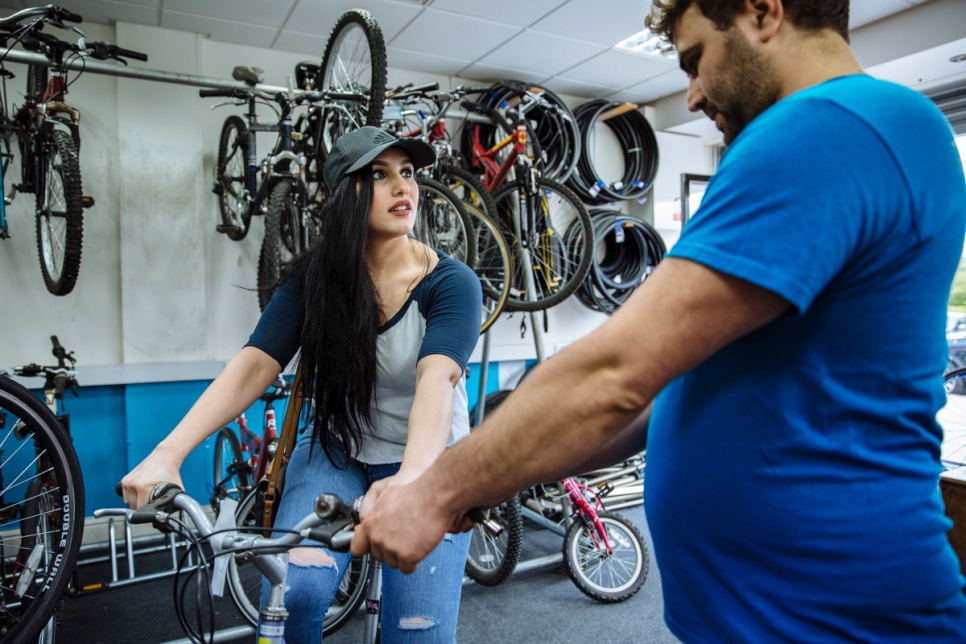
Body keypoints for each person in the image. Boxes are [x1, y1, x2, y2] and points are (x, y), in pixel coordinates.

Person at [351, 0, 966, 641]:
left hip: (827, 618)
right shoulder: (869, 129)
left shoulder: (827, 128)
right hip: (764, 613)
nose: (693, 97)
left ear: (764, 11)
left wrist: (433, 492)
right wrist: (493, 475)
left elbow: (615, 375)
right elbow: (667, 396)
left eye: (696, 59)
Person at [121, 126, 483, 643]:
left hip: (430, 461)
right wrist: (167, 454)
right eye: (379, 176)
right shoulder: (315, 280)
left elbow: (438, 379)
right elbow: (255, 363)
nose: (403, 187)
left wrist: (414, 478)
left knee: (416, 633)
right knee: (298, 593)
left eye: (407, 173)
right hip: (338, 449)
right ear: (344, 197)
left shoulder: (450, 282)